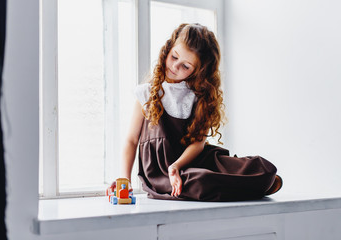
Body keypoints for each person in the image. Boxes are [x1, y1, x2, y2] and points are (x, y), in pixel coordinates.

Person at [120, 23, 282, 201]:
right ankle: (252, 186)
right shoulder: (147, 93)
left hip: (192, 160)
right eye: (174, 57)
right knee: (202, 181)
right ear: (168, 49)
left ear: (198, 71)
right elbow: (131, 140)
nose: (175, 66)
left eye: (186, 66)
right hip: (164, 172)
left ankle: (254, 181)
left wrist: (177, 165)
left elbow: (198, 144)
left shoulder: (199, 97)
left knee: (263, 167)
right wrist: (125, 180)